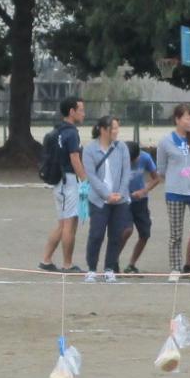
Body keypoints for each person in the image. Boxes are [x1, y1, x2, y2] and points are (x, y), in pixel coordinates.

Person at [157, 104, 190, 282]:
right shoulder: (166, 141)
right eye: (187, 118)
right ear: (177, 119)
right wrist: (178, 176)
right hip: (175, 191)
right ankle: (175, 268)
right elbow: (162, 168)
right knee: (175, 234)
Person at [38, 98, 88, 273]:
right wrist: (85, 181)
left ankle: (46, 260)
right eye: (81, 110)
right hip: (69, 182)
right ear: (72, 112)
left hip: (59, 182)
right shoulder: (72, 133)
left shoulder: (57, 130)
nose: (83, 113)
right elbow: (75, 158)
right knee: (69, 224)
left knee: (61, 224)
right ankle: (67, 264)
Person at [81, 115, 133, 282]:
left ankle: (110, 267)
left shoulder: (122, 147)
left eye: (118, 128)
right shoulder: (89, 149)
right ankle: (91, 268)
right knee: (96, 234)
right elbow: (92, 176)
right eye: (113, 128)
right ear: (103, 129)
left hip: (120, 200)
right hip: (98, 200)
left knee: (116, 235)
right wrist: (107, 195)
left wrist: (120, 193)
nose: (116, 131)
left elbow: (126, 173)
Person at [122, 137, 161, 272]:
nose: (131, 163)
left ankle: (131, 264)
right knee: (127, 230)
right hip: (123, 201)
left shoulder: (145, 158)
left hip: (140, 201)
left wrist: (144, 190)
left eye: (133, 160)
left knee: (145, 234)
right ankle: (113, 260)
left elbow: (156, 179)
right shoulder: (118, 159)